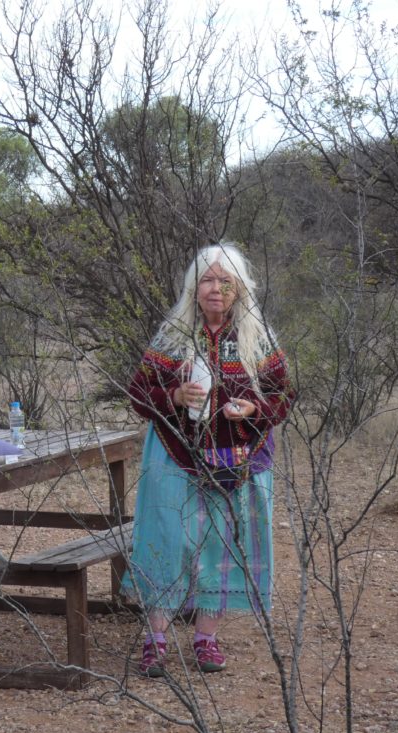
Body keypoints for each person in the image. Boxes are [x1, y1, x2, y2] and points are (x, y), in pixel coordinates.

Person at [122, 242, 295, 677]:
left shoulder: (258, 336)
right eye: (205, 279)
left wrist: (256, 409)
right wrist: (175, 396)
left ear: (239, 288)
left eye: (225, 281)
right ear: (192, 287)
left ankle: (206, 639)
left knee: (225, 545)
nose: (215, 289)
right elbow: (138, 393)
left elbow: (283, 394)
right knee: (167, 538)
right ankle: (155, 639)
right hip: (174, 455)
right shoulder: (173, 335)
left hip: (241, 460)